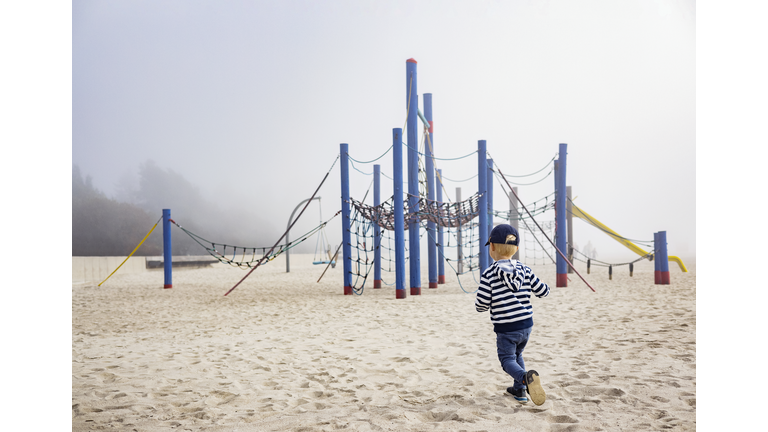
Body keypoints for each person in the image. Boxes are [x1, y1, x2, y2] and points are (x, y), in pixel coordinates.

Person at [475, 224, 550, 405]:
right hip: (526, 325)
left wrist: (490, 303)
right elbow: (543, 291)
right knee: (518, 354)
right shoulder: (525, 270)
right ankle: (519, 390)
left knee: (507, 359)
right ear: (516, 248)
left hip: (506, 327)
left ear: (491, 247)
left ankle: (524, 379)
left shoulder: (490, 274)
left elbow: (481, 304)